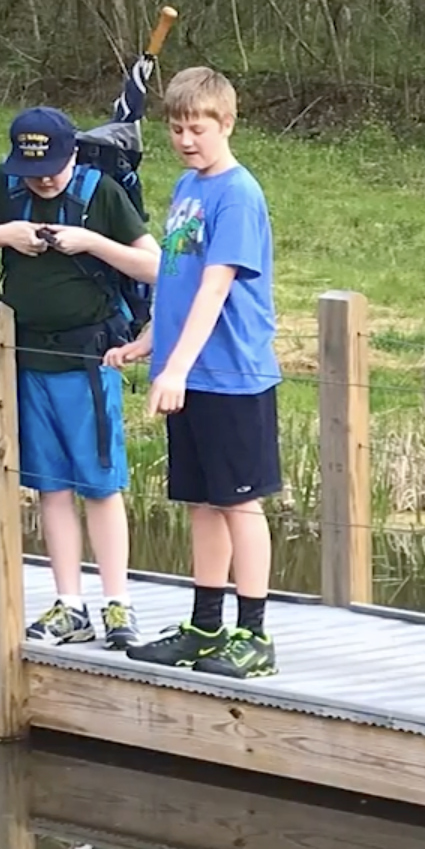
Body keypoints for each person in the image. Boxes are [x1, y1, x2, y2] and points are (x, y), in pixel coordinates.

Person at [0, 107, 159, 650]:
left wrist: (91, 243)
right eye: (33, 170)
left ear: (73, 154)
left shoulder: (100, 192)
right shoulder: (3, 188)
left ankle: (118, 603)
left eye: (53, 168)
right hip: (28, 357)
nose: (44, 179)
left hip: (90, 361)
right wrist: (4, 233)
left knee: (100, 484)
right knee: (50, 486)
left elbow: (154, 265)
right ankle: (70, 605)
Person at [119, 68, 282, 680]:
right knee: (201, 504)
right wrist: (149, 343)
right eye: (177, 127)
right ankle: (204, 626)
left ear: (226, 124)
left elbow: (216, 289)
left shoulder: (239, 195)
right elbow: (180, 283)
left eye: (199, 128)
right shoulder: (188, 187)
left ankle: (254, 635)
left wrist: (177, 369)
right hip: (186, 371)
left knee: (241, 505)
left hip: (230, 374)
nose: (187, 139)